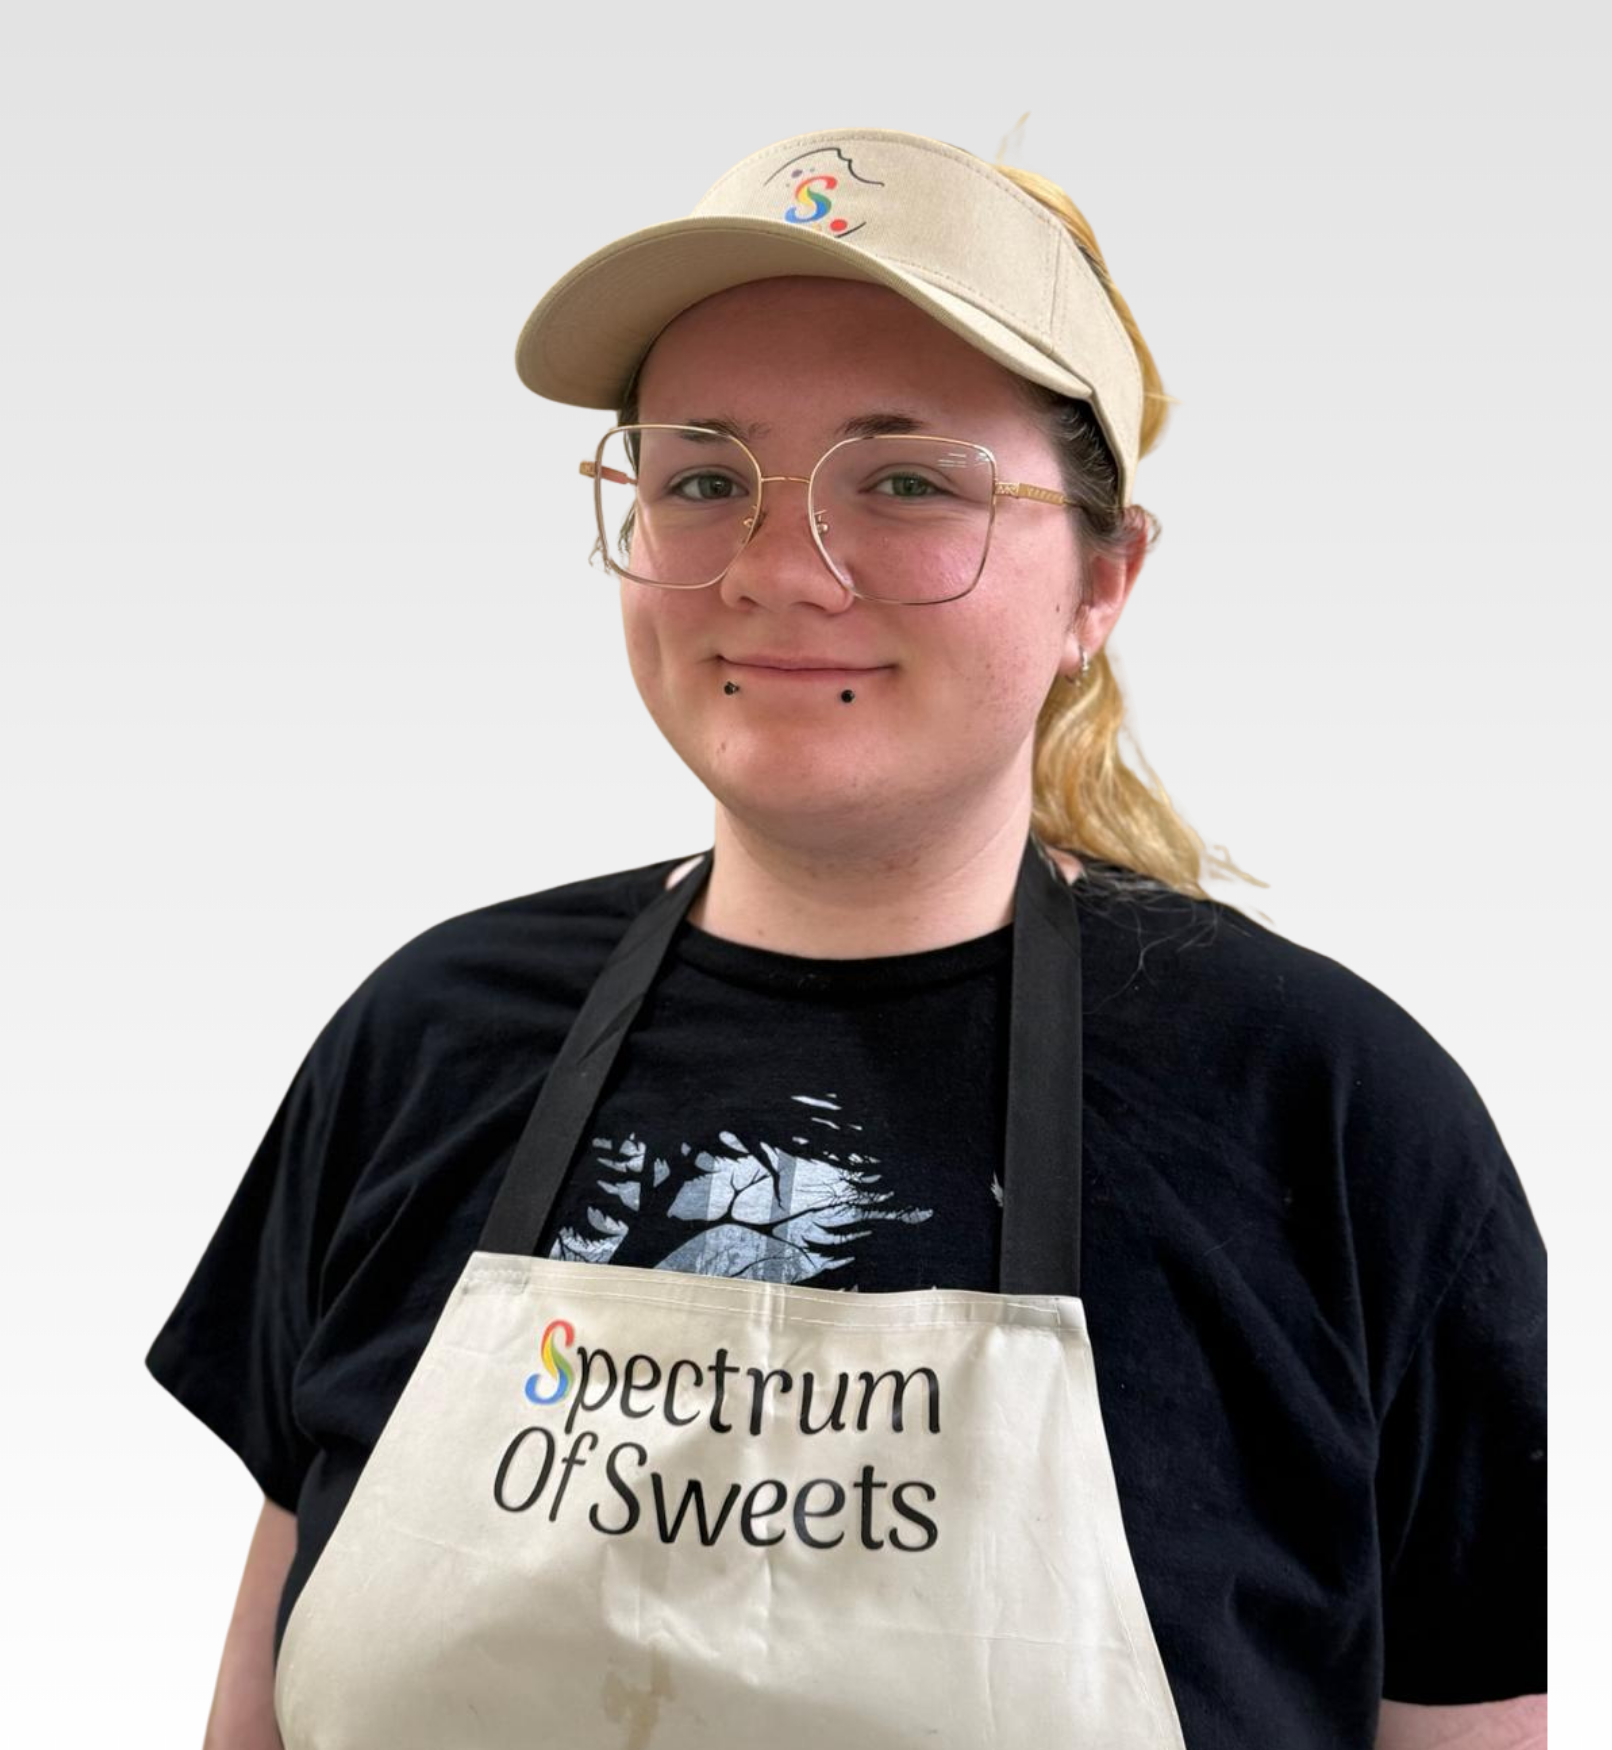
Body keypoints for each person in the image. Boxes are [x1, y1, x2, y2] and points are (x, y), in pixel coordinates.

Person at [145, 127, 1547, 1750]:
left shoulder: (1329, 1112)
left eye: (903, 481)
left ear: (1102, 579)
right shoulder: (428, 1039)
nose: (778, 570)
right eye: (701, 479)